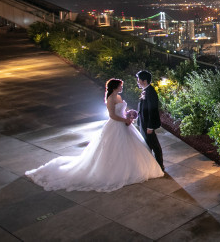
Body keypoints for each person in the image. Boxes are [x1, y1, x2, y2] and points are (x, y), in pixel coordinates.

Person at [25, 79, 164, 192]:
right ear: (115, 87)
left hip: (126, 125)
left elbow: (122, 110)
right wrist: (126, 120)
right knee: (114, 149)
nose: (122, 87)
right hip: (116, 126)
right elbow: (112, 116)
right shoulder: (110, 98)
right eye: (120, 86)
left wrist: (129, 114)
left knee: (134, 147)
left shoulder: (119, 96)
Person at [136, 70, 165, 172]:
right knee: (148, 144)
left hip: (148, 125)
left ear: (144, 81)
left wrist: (150, 127)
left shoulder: (151, 92)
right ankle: (152, 166)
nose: (137, 81)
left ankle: (160, 166)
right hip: (144, 123)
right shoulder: (146, 91)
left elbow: (152, 111)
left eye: (138, 79)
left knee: (154, 145)